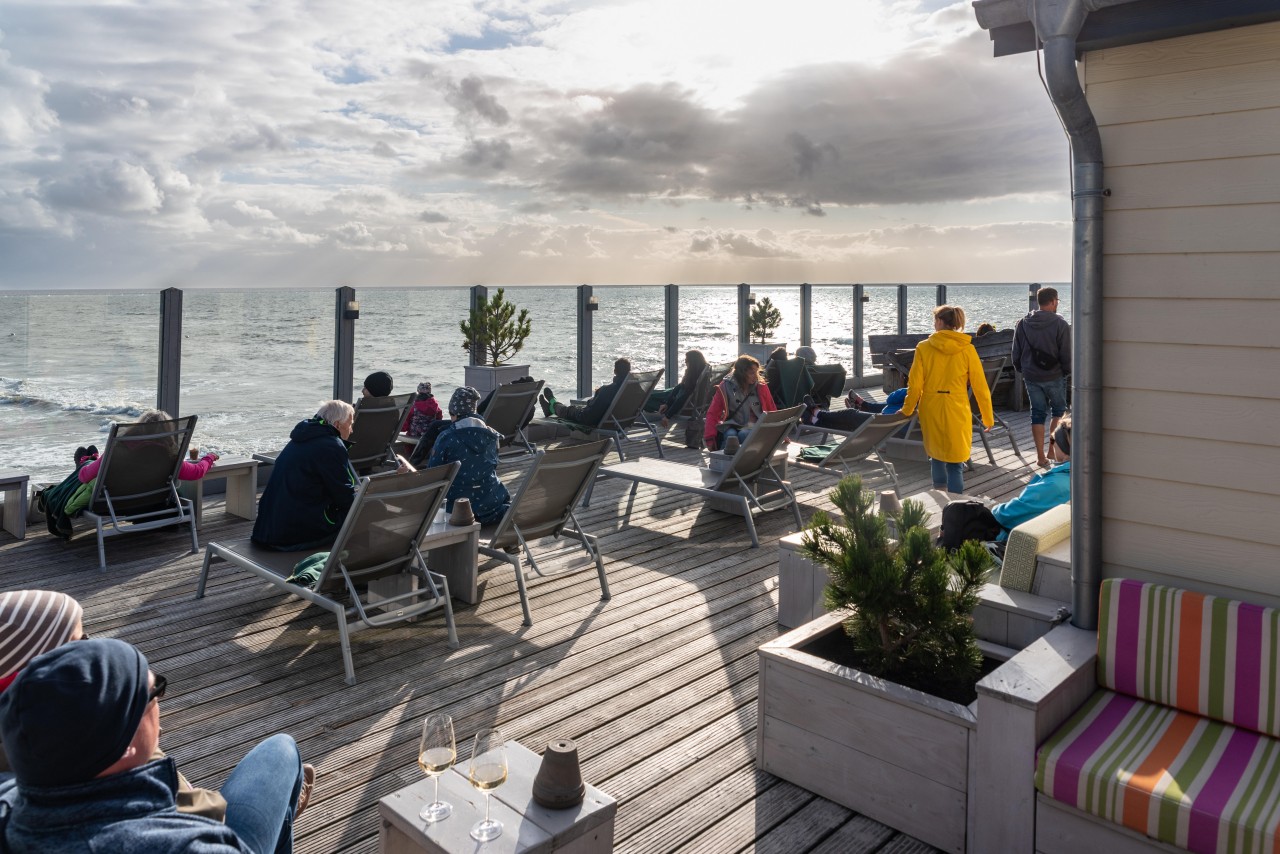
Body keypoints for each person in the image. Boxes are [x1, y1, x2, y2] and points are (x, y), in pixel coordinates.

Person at [0, 639, 312, 853]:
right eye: (154, 692)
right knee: (281, 752)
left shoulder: (10, 801)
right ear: (123, 747)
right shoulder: (187, 845)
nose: (161, 700)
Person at [0, 590, 227, 819]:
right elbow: (205, 812)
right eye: (80, 641)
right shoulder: (91, 739)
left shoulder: (27, 733)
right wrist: (142, 742)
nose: (93, 644)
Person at [900, 305, 994, 494]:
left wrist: (907, 409)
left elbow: (915, 385)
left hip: (931, 405)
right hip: (956, 406)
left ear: (941, 322)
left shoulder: (924, 347)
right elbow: (980, 386)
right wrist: (987, 417)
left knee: (936, 456)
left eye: (935, 320)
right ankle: (956, 505)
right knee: (956, 460)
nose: (934, 323)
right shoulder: (967, 349)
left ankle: (940, 496)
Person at [251, 399, 362, 551]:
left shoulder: (302, 437)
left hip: (266, 530)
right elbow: (344, 497)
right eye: (350, 425)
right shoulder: (331, 446)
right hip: (291, 536)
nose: (351, 430)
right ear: (337, 425)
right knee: (362, 513)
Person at [427, 387, 511, 524]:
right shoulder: (492, 436)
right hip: (492, 507)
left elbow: (433, 475)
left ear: (454, 413)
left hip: (457, 511)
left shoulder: (446, 437)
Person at [76, 409, 220, 486]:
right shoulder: (168, 457)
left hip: (116, 504)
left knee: (85, 464)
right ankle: (89, 459)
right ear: (169, 432)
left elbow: (83, 477)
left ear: (138, 428)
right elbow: (196, 472)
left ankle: (86, 460)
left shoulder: (117, 451)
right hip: (152, 503)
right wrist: (210, 457)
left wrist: (84, 467)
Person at [1012, 285, 1071, 468]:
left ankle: (1040, 457)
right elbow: (1067, 354)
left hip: (1031, 375)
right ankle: (1052, 450)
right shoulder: (1060, 324)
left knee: (1036, 414)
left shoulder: (1022, 323)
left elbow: (1016, 352)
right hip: (1054, 374)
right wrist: (1067, 371)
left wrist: (1023, 369)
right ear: (1053, 301)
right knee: (1058, 411)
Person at [991, 415, 1072, 541]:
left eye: (1052, 440)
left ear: (1064, 448)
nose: (1051, 445)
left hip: (1012, 542)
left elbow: (1007, 515)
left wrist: (993, 510)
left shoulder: (1053, 484)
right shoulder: (1081, 478)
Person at [704, 355, 777, 450]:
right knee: (731, 435)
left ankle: (741, 462)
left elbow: (771, 408)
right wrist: (709, 437)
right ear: (741, 373)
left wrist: (780, 433)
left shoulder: (761, 386)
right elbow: (713, 413)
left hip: (756, 425)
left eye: (757, 372)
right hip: (733, 423)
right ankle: (724, 462)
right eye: (751, 373)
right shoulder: (725, 386)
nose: (756, 376)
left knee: (743, 434)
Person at [539, 358, 631, 426]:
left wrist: (591, 401)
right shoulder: (635, 390)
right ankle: (550, 408)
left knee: (568, 411)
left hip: (588, 419)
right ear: (629, 371)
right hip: (618, 422)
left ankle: (552, 402)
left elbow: (592, 411)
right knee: (577, 407)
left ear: (615, 371)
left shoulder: (606, 390)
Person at [644, 350, 709, 425]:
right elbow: (680, 387)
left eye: (686, 360)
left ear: (693, 362)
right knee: (649, 394)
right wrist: (667, 404)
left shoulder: (692, 383)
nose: (685, 362)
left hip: (673, 397)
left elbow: (681, 398)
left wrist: (668, 416)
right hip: (673, 394)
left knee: (646, 397)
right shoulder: (703, 376)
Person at [801, 388, 907, 430]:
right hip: (897, 423)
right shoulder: (921, 401)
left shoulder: (916, 392)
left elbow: (890, 399)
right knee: (850, 424)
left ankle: (817, 413)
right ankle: (814, 420)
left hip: (889, 425)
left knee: (850, 415)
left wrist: (909, 388)